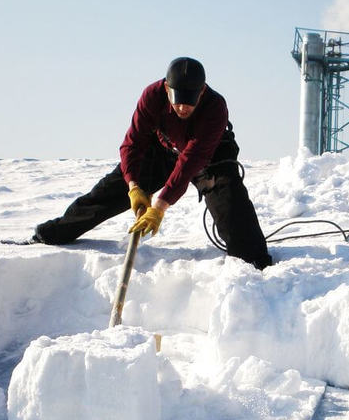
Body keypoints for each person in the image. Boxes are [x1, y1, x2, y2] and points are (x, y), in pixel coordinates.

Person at [31, 57, 272, 270]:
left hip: (209, 156)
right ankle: (53, 233)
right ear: (167, 89)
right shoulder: (152, 96)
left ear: (202, 92)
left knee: (230, 202)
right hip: (162, 148)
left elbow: (191, 160)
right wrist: (134, 186)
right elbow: (132, 145)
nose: (182, 107)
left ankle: (253, 263)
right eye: (178, 100)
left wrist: (160, 207)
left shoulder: (215, 107)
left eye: (190, 101)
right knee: (109, 192)